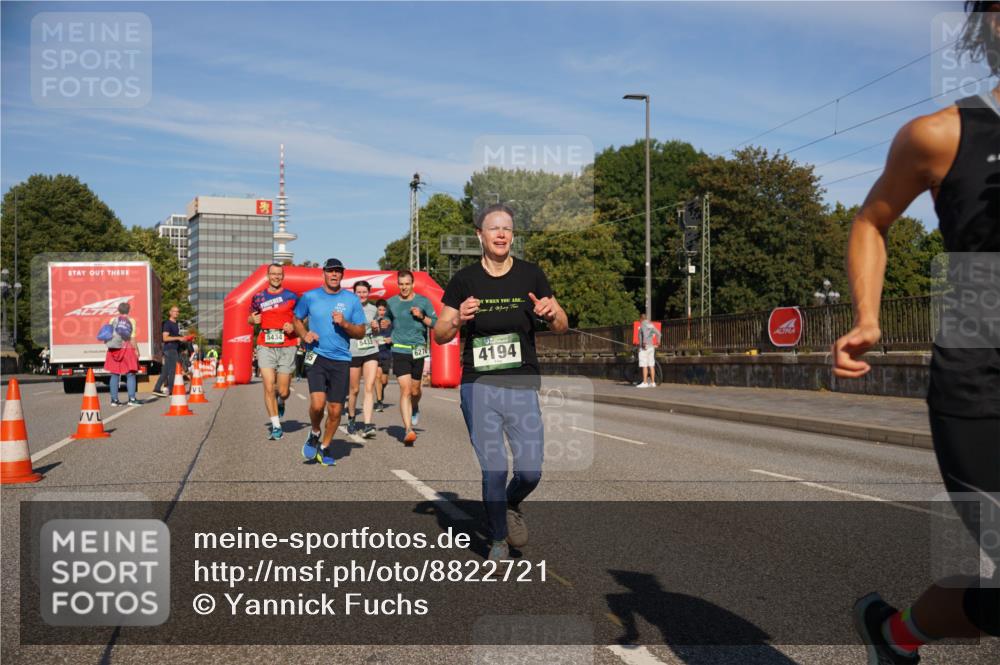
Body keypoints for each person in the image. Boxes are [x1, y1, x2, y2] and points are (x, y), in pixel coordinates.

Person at [833, 4, 1000, 663]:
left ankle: (893, 631)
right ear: (988, 23)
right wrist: (868, 316)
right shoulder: (940, 135)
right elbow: (871, 221)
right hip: (977, 381)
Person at [434, 203, 568, 562]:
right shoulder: (464, 280)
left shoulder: (531, 275)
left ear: (513, 236)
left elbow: (562, 325)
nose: (501, 234)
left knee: (530, 470)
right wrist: (458, 318)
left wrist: (552, 311)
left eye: (507, 229)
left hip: (522, 383)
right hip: (479, 385)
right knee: (494, 466)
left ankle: (511, 502)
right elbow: (441, 333)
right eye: (494, 228)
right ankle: (496, 540)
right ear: (480, 235)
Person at [293, 258, 367, 466]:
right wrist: (304, 334)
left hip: (341, 360)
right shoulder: (310, 297)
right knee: (317, 405)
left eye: (338, 272)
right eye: (330, 271)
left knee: (335, 410)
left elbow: (361, 332)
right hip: (316, 356)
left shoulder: (352, 300)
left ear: (342, 275)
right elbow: (296, 319)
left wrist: (344, 323)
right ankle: (315, 431)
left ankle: (325, 447)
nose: (334, 275)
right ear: (323, 273)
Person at [386, 270, 437, 445]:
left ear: (413, 284)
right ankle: (408, 429)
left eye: (407, 284)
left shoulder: (423, 301)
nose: (404, 287)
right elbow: (384, 320)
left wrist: (422, 317)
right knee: (405, 389)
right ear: (398, 284)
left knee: (415, 391)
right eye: (401, 284)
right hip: (399, 349)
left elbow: (435, 323)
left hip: (418, 350)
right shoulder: (391, 303)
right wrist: (382, 323)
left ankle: (414, 406)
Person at [249, 263, 299, 440]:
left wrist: (293, 325)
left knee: (283, 391)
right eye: (273, 274)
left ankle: (281, 400)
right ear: (267, 276)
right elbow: (250, 317)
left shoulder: (292, 296)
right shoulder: (258, 297)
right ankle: (276, 426)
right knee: (269, 386)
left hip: (287, 345)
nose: (276, 277)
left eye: (279, 274)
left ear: (283, 276)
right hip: (265, 345)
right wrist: (252, 319)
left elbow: (302, 318)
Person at [346, 280, 379, 439]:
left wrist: (376, 327)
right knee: (354, 390)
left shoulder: (373, 309)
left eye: (364, 292)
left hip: (370, 349)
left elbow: (377, 328)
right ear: (354, 293)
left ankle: (367, 425)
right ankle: (351, 418)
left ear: (369, 293)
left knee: (369, 387)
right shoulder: (348, 308)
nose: (362, 295)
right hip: (353, 352)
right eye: (358, 292)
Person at [103, 302, 140, 406]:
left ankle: (114, 400)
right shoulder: (131, 321)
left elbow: (109, 334)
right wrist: (136, 350)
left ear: (118, 310)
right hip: (127, 348)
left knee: (114, 374)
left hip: (114, 349)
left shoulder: (112, 320)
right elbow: (132, 337)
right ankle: (131, 399)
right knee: (130, 374)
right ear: (129, 310)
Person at [153, 305, 188, 395]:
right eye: (174, 311)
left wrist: (181, 339)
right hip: (170, 349)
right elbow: (165, 338)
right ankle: (172, 390)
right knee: (174, 370)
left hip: (173, 349)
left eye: (177, 311)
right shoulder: (167, 323)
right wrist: (178, 338)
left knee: (165, 371)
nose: (176, 313)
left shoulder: (175, 323)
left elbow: (174, 337)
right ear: (170, 312)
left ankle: (156, 389)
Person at [373, 298, 393, 412]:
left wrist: (391, 339)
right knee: (377, 376)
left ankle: (381, 392)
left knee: (384, 380)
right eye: (379, 309)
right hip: (375, 352)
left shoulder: (389, 322)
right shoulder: (373, 321)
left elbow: (396, 334)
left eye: (383, 310)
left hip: (386, 352)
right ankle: (379, 401)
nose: (381, 312)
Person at [636, 313, 661, 388]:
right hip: (651, 347)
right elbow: (659, 333)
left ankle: (645, 382)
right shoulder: (651, 324)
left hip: (644, 347)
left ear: (641, 319)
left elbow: (645, 334)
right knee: (651, 364)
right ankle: (653, 383)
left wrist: (644, 343)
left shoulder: (643, 324)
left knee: (644, 365)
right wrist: (658, 342)